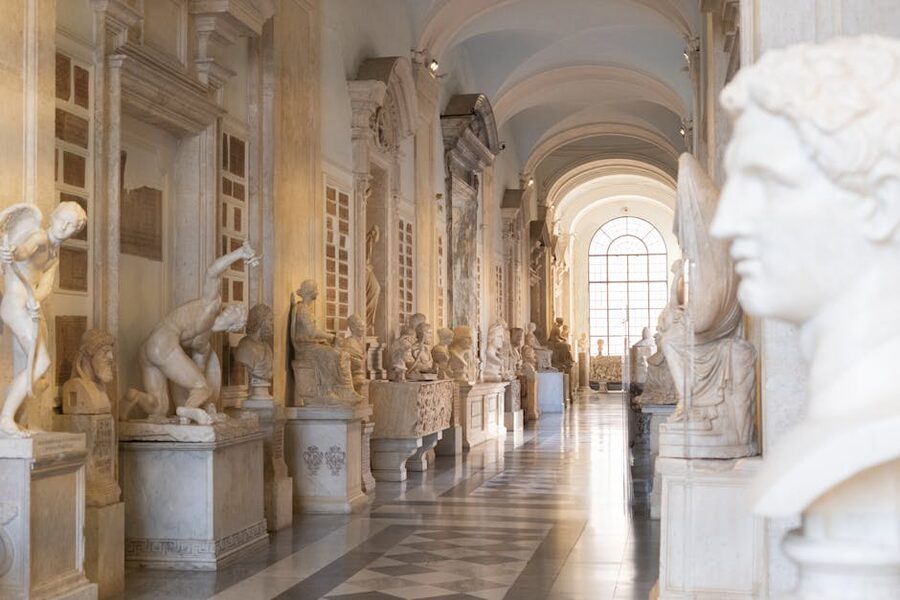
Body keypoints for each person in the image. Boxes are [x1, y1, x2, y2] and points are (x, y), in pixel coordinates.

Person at [123, 242, 258, 424]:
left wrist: (202, 403)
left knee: (159, 409)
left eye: (236, 311)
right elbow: (212, 272)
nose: (231, 308)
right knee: (203, 387)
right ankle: (187, 411)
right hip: (162, 342)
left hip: (150, 350)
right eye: (234, 307)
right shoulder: (211, 305)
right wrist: (240, 253)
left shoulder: (203, 345)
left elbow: (192, 379)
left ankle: (134, 397)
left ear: (235, 326)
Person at [0, 201, 86, 436]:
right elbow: (23, 251)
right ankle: (5, 417)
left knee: (35, 371)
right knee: (40, 362)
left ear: (74, 232)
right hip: (13, 304)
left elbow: (45, 287)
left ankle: (20, 420)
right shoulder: (39, 238)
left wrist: (35, 299)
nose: (64, 227)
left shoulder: (54, 255)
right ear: (53, 218)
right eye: (62, 220)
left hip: (28, 307)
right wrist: (12, 252)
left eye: (70, 226)